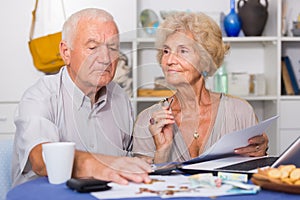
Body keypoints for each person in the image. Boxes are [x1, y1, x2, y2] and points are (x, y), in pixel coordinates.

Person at [12, 8, 151, 187]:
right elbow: (41, 160)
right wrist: (99, 165)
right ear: (66, 52)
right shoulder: (39, 96)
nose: (105, 58)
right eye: (93, 47)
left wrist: (158, 154)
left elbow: (129, 161)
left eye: (113, 47)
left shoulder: (120, 98)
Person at [133, 12, 269, 164]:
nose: (170, 60)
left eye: (183, 51)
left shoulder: (241, 112)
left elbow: (256, 173)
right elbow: (144, 185)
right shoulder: (148, 120)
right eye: (166, 51)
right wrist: (162, 152)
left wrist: (260, 153)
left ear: (206, 60)